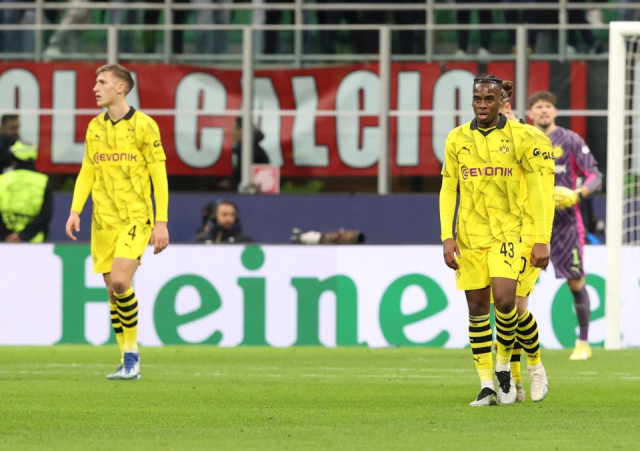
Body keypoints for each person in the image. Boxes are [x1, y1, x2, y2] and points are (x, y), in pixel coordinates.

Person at [439, 74, 550, 406]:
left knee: (506, 302)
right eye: (478, 99)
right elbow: (448, 187)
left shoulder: (523, 137)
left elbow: (538, 190)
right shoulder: (457, 138)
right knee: (476, 309)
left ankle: (506, 368)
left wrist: (541, 238)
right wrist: (446, 236)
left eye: (489, 99)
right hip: (470, 235)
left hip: (511, 232)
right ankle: (487, 385)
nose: (482, 105)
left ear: (503, 102)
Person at [65, 63, 169, 380]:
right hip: (102, 221)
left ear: (121, 87)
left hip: (135, 218)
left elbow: (159, 175)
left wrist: (161, 221)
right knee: (113, 291)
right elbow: (88, 169)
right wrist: (75, 209)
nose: (95, 88)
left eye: (102, 82)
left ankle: (133, 355)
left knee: (122, 282)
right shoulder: (95, 127)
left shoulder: (144, 126)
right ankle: (126, 361)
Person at [528, 90, 603, 361]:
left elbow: (595, 175)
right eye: (539, 106)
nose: (544, 110)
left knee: (575, 281)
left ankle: (583, 342)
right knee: (516, 284)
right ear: (531, 113)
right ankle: (511, 341)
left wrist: (576, 194)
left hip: (567, 225)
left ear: (555, 111)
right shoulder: (524, 139)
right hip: (531, 223)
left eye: (548, 106)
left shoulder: (570, 140)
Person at [499, 80, 554, 402]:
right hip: (497, 233)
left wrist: (542, 238)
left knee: (517, 307)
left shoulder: (534, 139)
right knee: (503, 310)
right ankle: (515, 382)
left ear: (507, 108)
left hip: (528, 231)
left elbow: (543, 192)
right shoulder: (482, 141)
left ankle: (534, 369)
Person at [0, 141, 53, 243]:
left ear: (14, 160)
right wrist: (23, 236)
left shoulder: (2, 180)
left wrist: (7, 235)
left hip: (3, 243)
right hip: (35, 243)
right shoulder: (43, 181)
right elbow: (45, 215)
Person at [221, 116, 270, 192]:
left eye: (234, 128)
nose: (232, 132)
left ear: (242, 130)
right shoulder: (245, 148)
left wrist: (231, 183)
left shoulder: (249, 151)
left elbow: (242, 173)